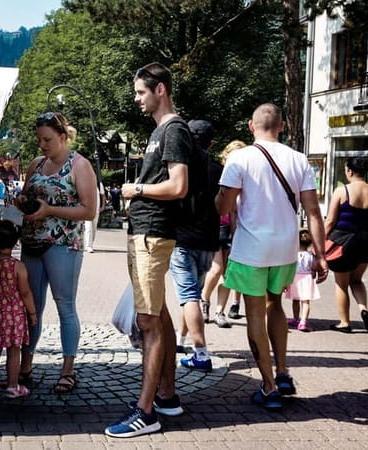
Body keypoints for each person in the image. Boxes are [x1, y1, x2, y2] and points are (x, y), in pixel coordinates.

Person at [216, 103, 328, 411]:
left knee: (255, 313)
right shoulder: (299, 159)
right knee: (275, 303)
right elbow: (313, 211)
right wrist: (320, 254)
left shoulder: (239, 158)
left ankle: (267, 387)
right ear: (281, 126)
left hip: (251, 248)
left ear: (251, 127)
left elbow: (223, 208)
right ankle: (283, 372)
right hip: (286, 248)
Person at [105, 63, 192, 439]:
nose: (137, 98)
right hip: (146, 232)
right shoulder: (160, 131)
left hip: (153, 235)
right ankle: (167, 396)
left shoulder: (173, 130)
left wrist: (135, 190)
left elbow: (178, 187)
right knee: (158, 315)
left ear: (160, 89)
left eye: (141, 92)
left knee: (148, 322)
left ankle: (145, 411)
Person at [17, 111, 97, 395]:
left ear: (63, 137)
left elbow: (89, 210)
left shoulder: (80, 165)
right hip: (32, 243)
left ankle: (68, 370)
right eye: (39, 139)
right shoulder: (36, 164)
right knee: (31, 309)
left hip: (63, 244)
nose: (42, 145)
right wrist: (23, 201)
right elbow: (28, 195)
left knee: (65, 305)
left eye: (48, 139)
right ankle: (25, 365)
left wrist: (50, 210)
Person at [170, 119, 221, 372]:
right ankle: (180, 341)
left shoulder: (181, 166)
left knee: (188, 297)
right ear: (211, 143)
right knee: (191, 295)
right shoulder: (219, 169)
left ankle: (201, 353)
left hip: (182, 239)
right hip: (208, 240)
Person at [324, 157, 368, 333]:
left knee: (341, 283)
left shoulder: (342, 191)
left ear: (349, 171)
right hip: (366, 242)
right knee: (357, 280)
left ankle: (344, 322)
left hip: (343, 242)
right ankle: (363, 309)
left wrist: (319, 241)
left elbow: (330, 220)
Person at [0, 220, 37, 398]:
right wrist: (33, 312)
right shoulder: (18, 266)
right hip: (14, 312)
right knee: (14, 349)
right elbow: (25, 291)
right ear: (15, 242)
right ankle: (13, 386)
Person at [200, 140, 247, 327]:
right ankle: (204, 300)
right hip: (214, 227)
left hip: (229, 227)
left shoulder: (243, 178)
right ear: (226, 155)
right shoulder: (218, 173)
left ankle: (220, 311)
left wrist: (236, 233)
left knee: (228, 273)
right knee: (217, 268)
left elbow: (235, 211)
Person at [285, 229, 320, 332]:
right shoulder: (310, 255)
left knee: (295, 300)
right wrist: (314, 272)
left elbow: (289, 267)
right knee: (305, 302)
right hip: (306, 279)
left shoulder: (293, 254)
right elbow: (314, 267)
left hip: (294, 278)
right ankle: (303, 321)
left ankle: (296, 318)